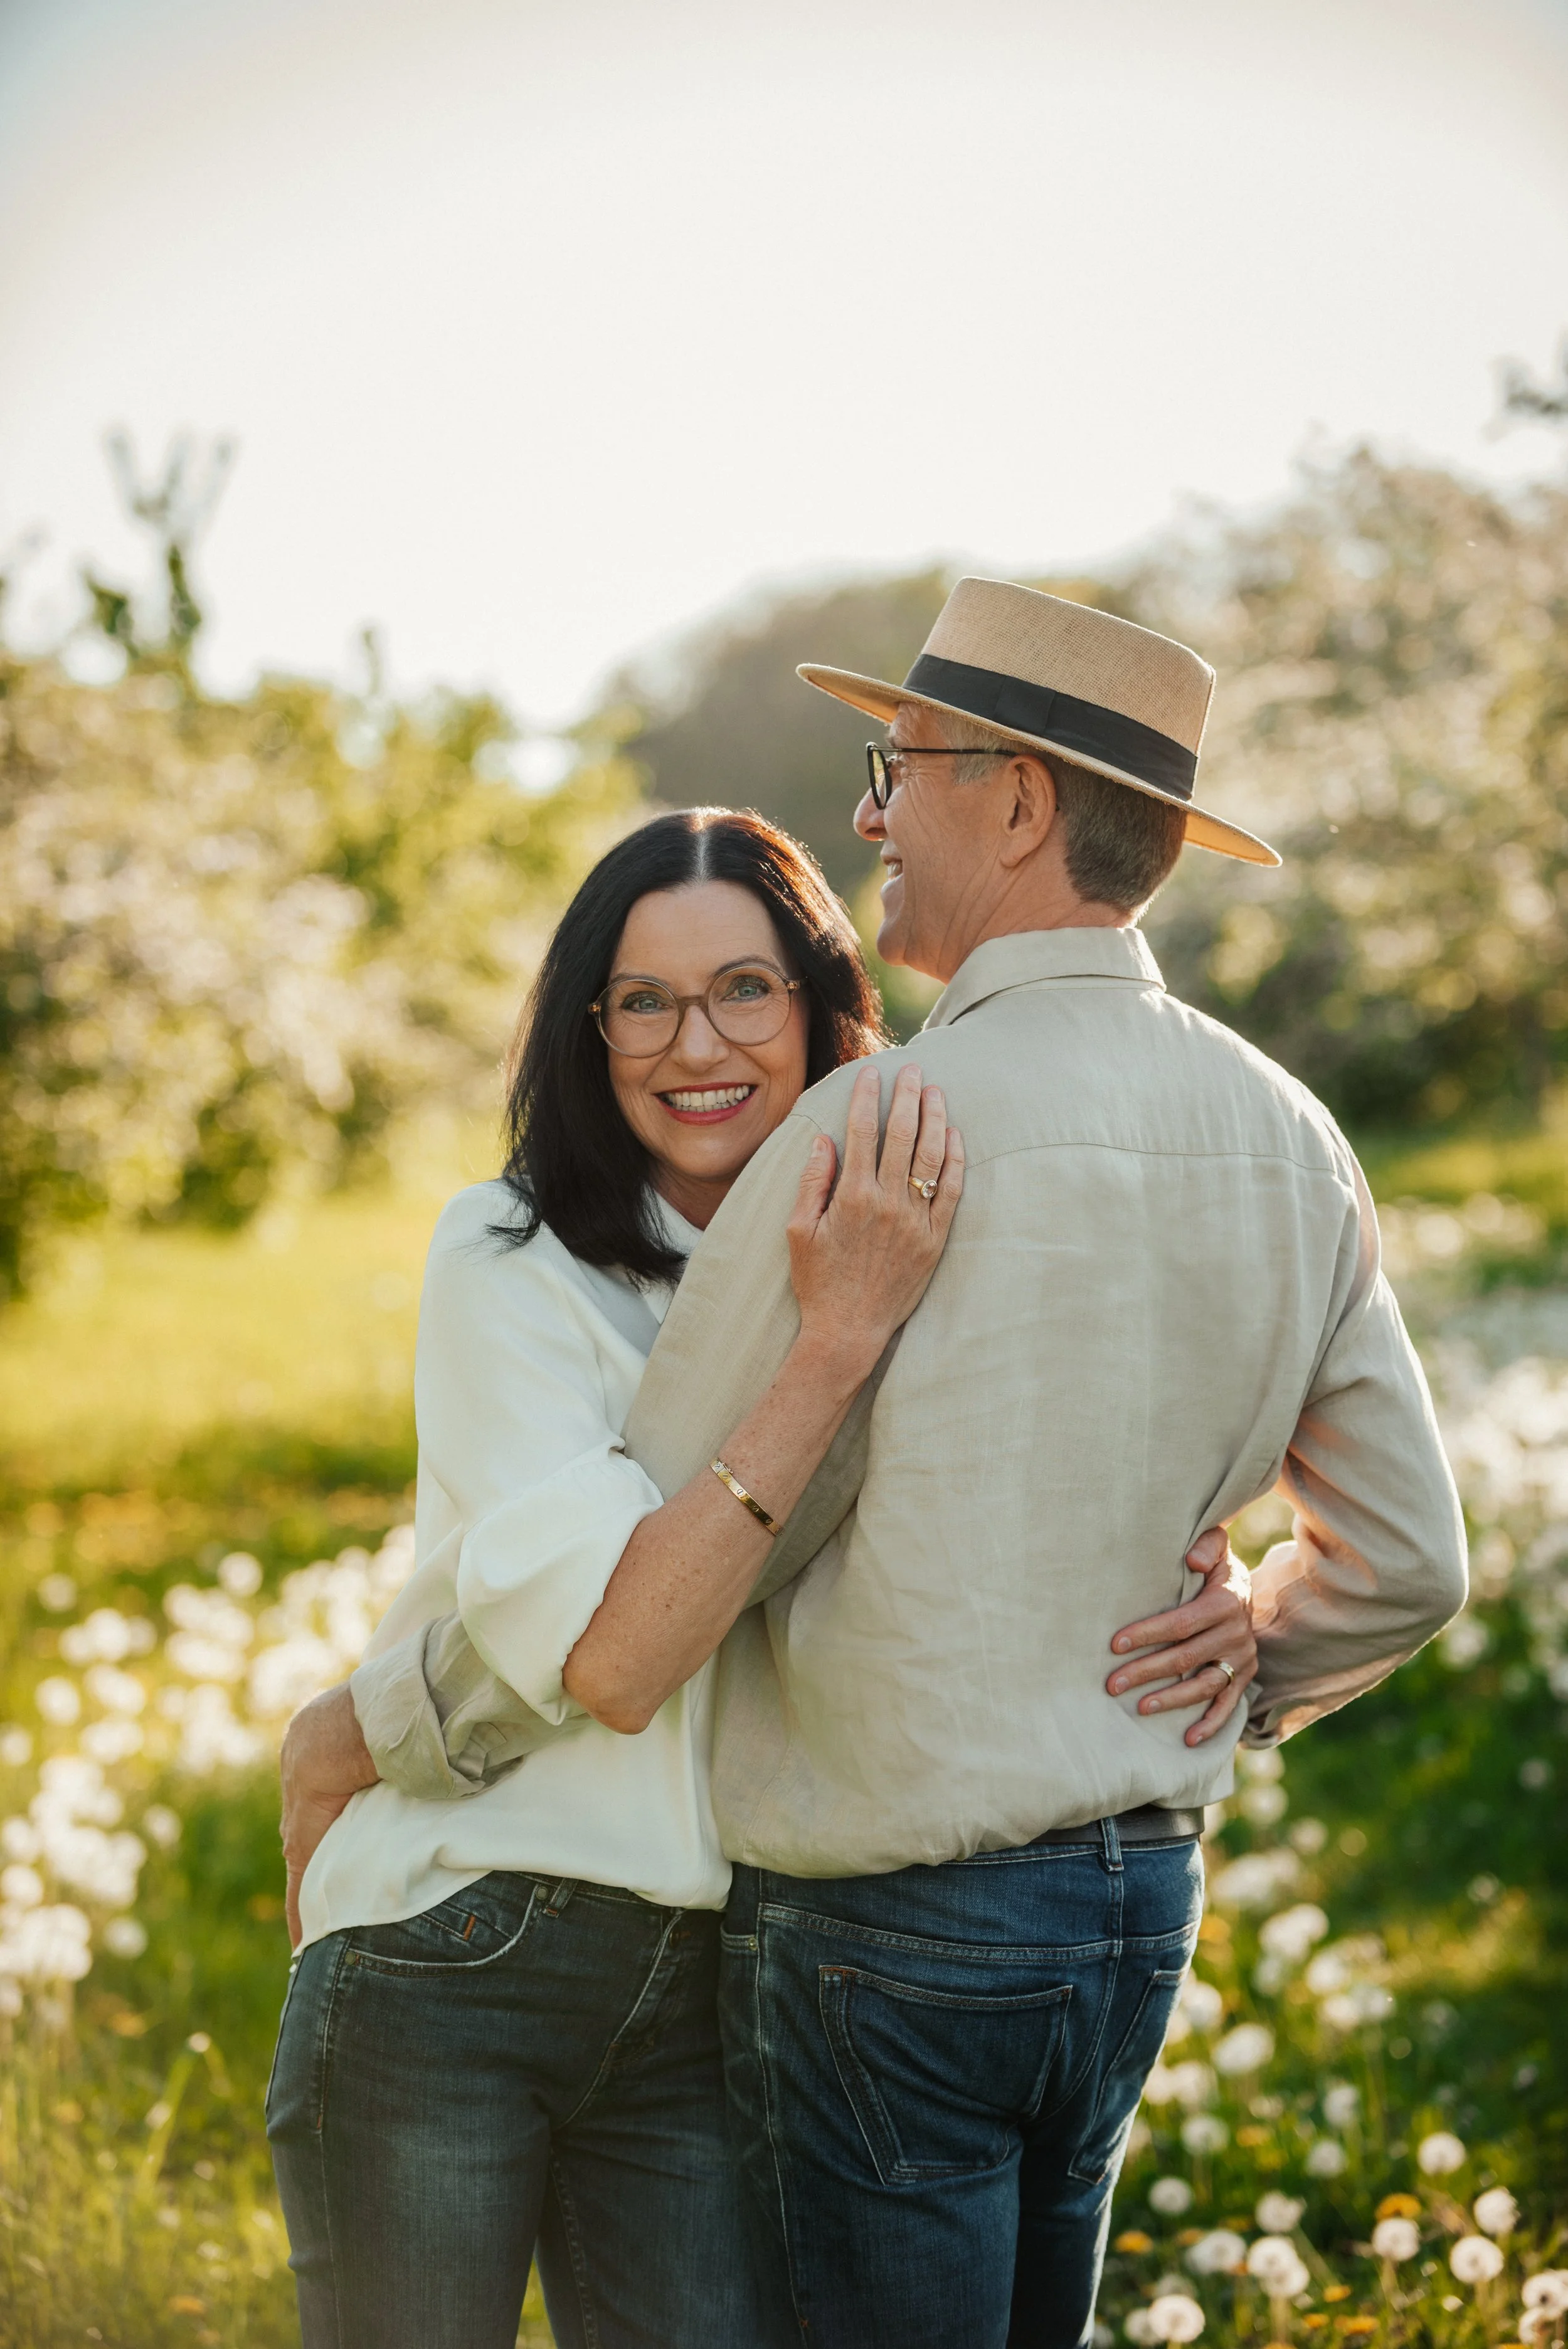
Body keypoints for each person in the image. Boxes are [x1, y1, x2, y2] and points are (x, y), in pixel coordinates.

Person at [331, 581, 1469, 2348]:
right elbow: (1406, 1564)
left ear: (1013, 803)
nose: (870, 817)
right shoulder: (1290, 1132)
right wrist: (1248, 1652)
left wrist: (385, 1725)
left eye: (901, 769)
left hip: (894, 1935)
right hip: (1140, 1900)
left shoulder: (873, 1134)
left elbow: (657, 1587)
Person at [271, 803, 1256, 2349]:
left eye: (743, 988)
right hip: (462, 1945)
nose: (694, 1045)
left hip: (720, 1982)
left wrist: (1231, 1596)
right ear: (589, 1031)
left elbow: (1026, 1490)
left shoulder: (908, 1227)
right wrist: (834, 1340)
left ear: (817, 1005)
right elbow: (611, 1658)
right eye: (641, 1002)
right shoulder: (511, 1259)